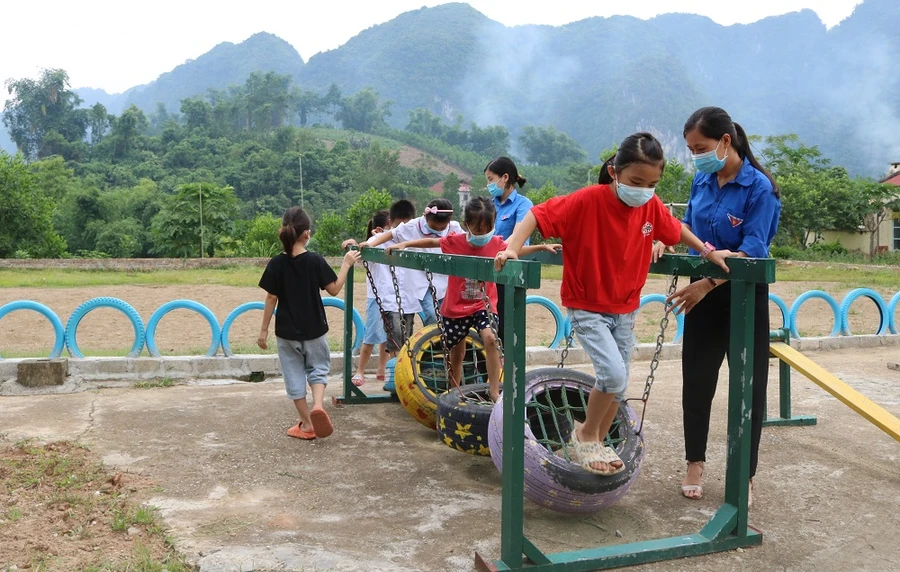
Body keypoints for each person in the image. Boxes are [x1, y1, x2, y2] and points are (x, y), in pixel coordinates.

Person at [496, 132, 733, 475]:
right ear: (614, 172)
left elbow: (675, 229)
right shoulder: (588, 200)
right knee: (612, 373)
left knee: (618, 385)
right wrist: (513, 247)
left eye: (652, 183)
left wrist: (707, 251)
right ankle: (587, 433)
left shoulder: (649, 205)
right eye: (637, 181)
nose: (644, 190)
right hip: (587, 305)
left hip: (625, 308)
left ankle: (596, 440)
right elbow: (538, 215)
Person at [660, 107, 781, 505]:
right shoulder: (701, 181)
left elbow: (753, 250)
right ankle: (695, 461)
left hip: (743, 298)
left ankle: (743, 472)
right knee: (696, 382)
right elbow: (692, 231)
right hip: (703, 297)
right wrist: (668, 240)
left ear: (725, 142)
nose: (696, 155)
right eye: (692, 149)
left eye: (701, 147)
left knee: (749, 389)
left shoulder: (758, 188)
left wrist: (708, 283)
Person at [387, 197, 557, 401]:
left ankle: (494, 391)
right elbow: (432, 241)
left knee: (491, 339)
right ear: (466, 225)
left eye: (487, 229)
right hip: (456, 307)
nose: (482, 234)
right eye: (477, 230)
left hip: (483, 305)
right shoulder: (456, 241)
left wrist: (540, 247)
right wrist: (404, 244)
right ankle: (454, 391)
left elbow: (516, 249)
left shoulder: (495, 243)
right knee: (457, 352)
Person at [257, 206, 360, 440]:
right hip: (314, 329)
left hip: (286, 332)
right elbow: (334, 289)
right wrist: (345, 264)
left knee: (294, 376)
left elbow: (271, 297)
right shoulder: (314, 261)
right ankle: (318, 407)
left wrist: (263, 330)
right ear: (307, 234)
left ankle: (306, 424)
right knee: (318, 369)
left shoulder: (276, 263)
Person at [363, 198, 463, 327]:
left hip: (444, 280)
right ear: (425, 217)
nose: (438, 230)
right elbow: (391, 234)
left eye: (442, 228)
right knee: (432, 314)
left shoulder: (454, 227)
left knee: (446, 314)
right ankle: (434, 338)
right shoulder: (413, 226)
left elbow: (466, 241)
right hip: (422, 281)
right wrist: (370, 243)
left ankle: (443, 341)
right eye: (434, 227)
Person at [346, 200, 421, 357]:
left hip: (409, 299)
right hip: (390, 300)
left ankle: (403, 370)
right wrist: (354, 243)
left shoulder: (415, 239)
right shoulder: (380, 240)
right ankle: (395, 373)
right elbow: (366, 247)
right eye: (399, 225)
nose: (403, 230)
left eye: (406, 226)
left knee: (407, 337)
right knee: (394, 338)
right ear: (390, 223)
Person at [485, 156, 534, 344]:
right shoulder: (489, 204)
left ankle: (507, 370)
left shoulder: (523, 204)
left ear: (505, 178)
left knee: (506, 326)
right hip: (489, 271)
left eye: (491, 179)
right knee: (486, 325)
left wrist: (500, 251)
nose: (489, 184)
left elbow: (518, 236)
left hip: (509, 272)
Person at [347, 210, 391, 387]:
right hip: (376, 297)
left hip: (391, 297)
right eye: (391, 226)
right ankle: (360, 371)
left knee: (388, 337)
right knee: (371, 336)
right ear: (380, 229)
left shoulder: (392, 244)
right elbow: (359, 249)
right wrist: (352, 243)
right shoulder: (371, 246)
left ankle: (382, 369)